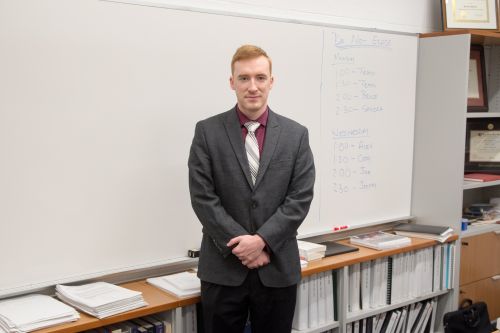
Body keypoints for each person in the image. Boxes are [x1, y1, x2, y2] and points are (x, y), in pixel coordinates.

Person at [188, 44, 315, 333]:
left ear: (272, 81)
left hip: (277, 266)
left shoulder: (296, 135)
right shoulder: (207, 132)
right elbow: (202, 197)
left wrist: (262, 241)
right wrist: (243, 244)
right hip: (223, 269)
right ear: (232, 83)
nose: (252, 86)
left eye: (260, 77)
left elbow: (300, 197)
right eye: (244, 78)